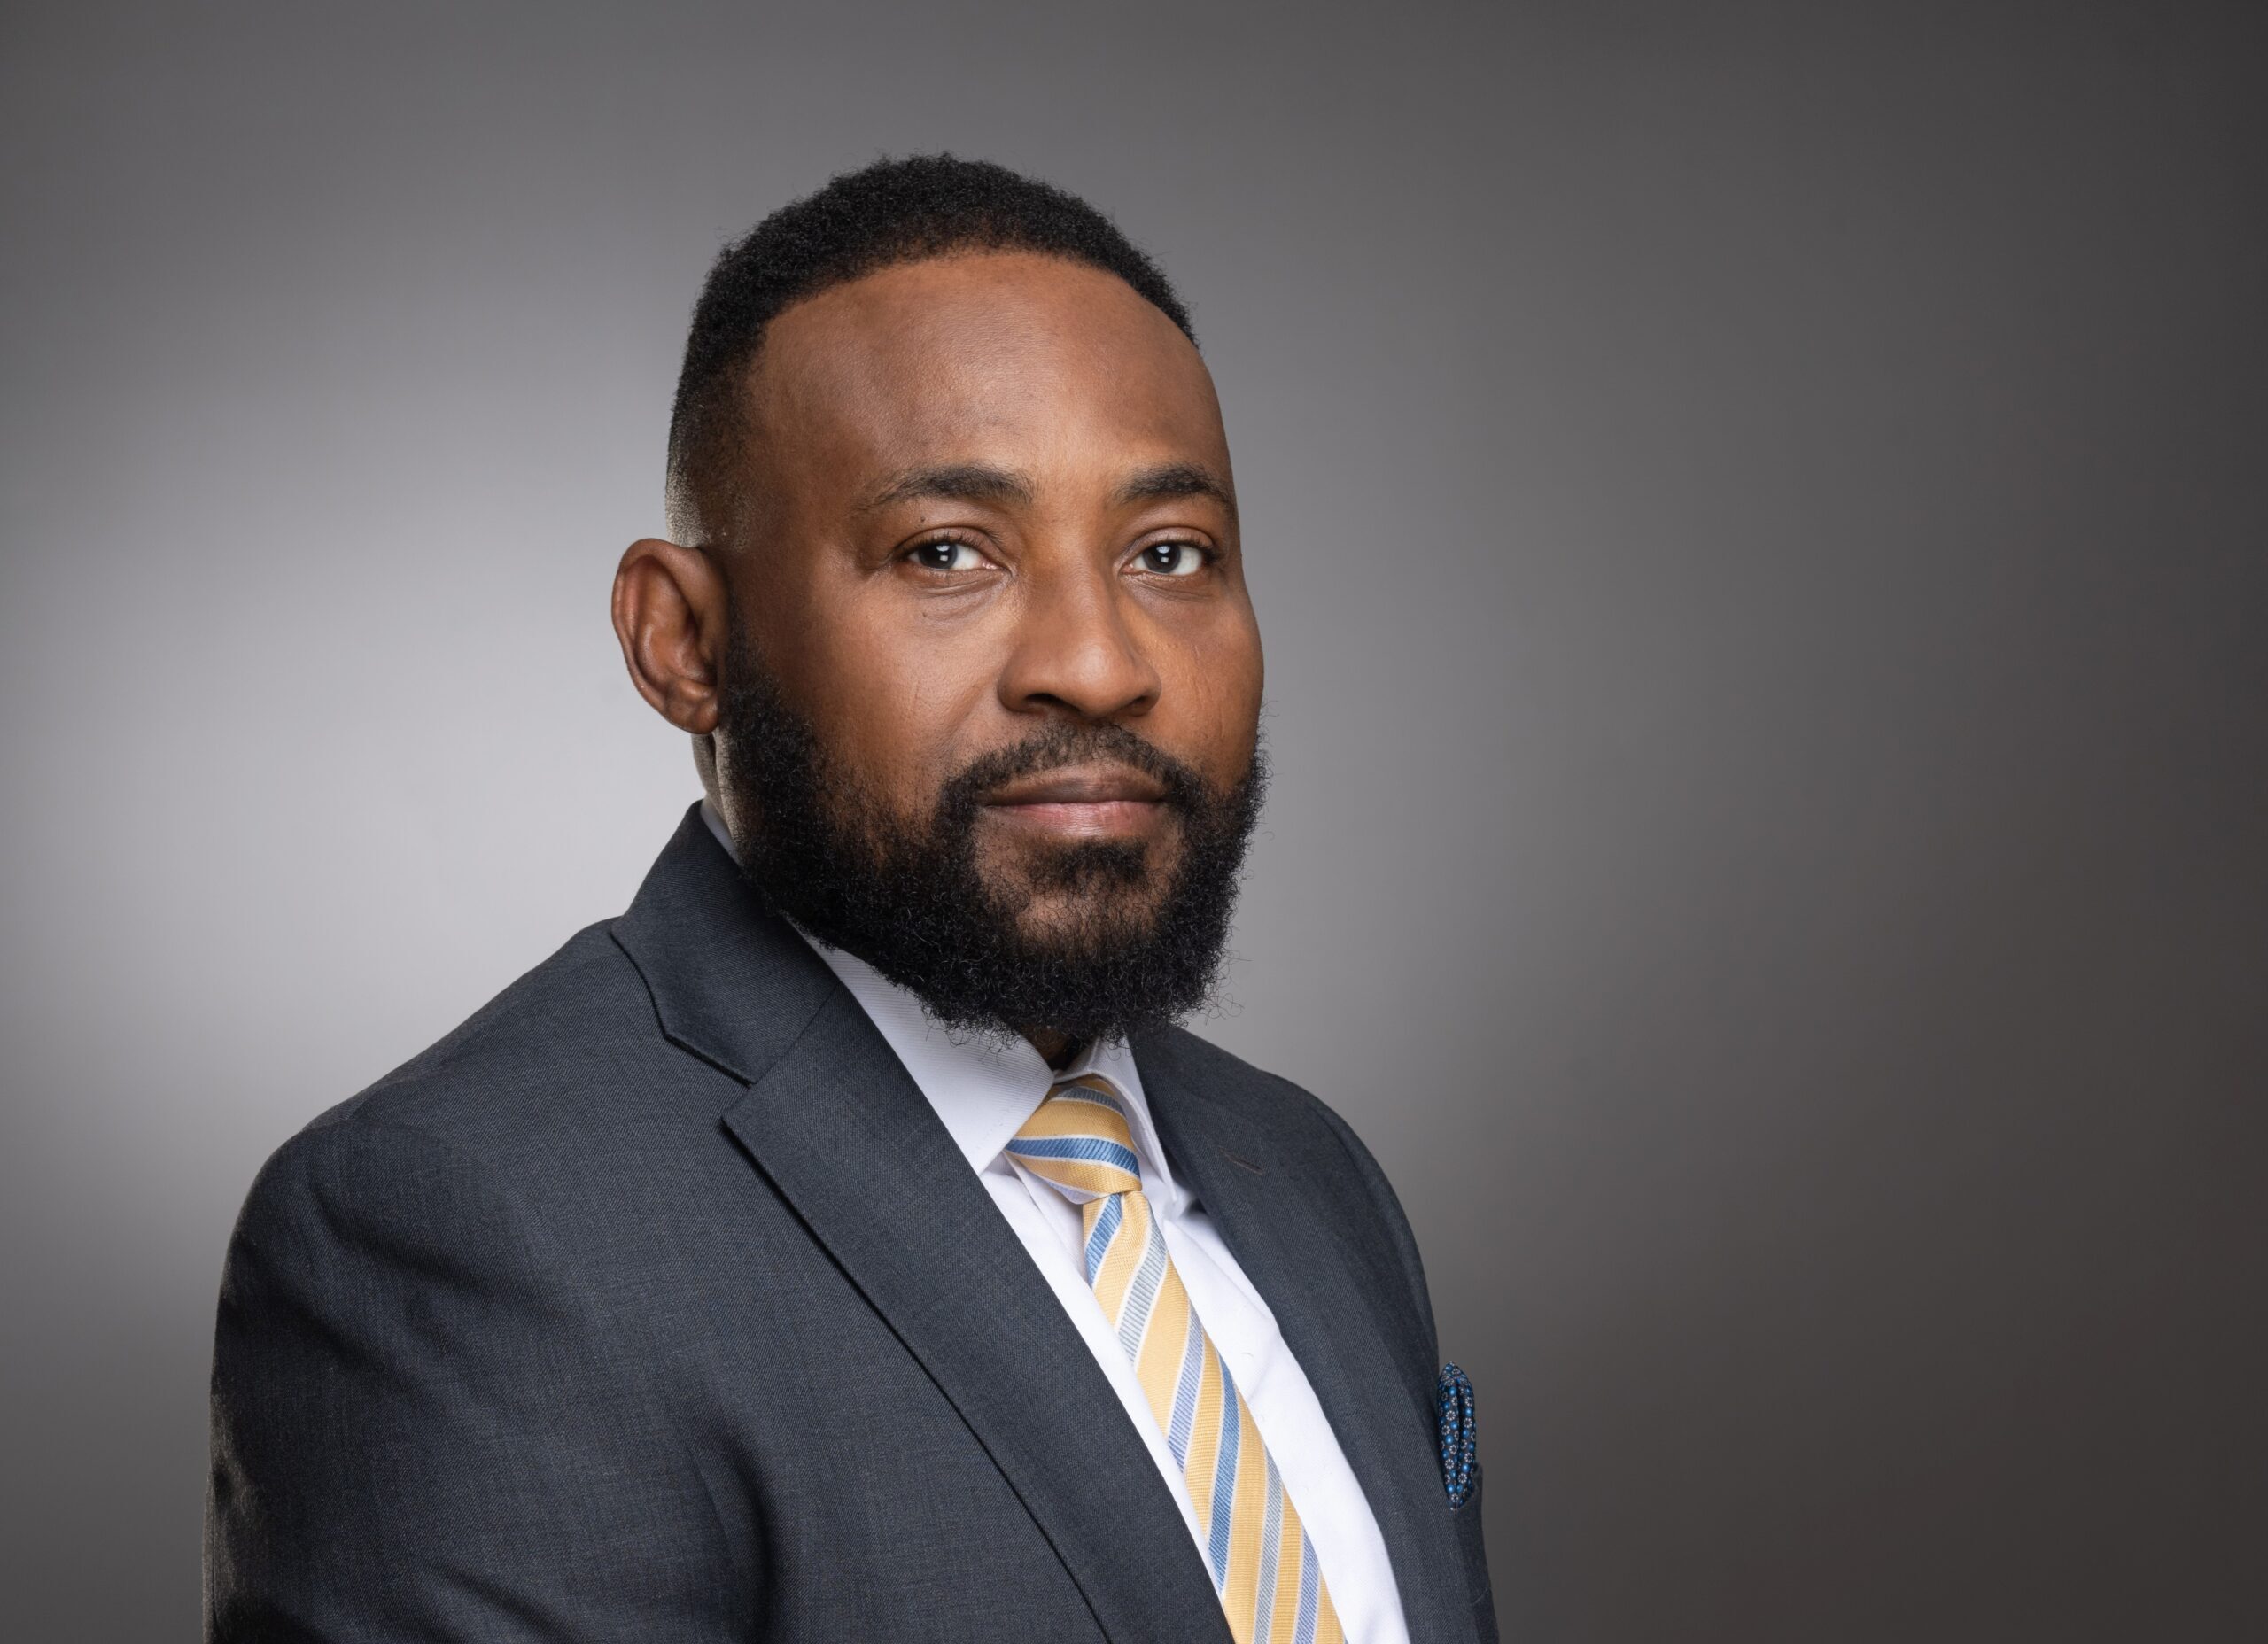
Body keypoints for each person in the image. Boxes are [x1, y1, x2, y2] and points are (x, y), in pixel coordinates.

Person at [205, 154, 1497, 1644]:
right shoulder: (468, 1230)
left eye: (1169, 553)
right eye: (947, 553)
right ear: (684, 641)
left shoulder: (1310, 1178)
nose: (1097, 663)